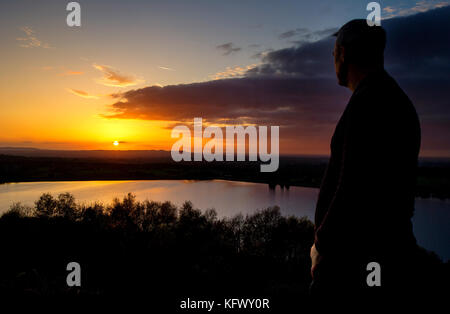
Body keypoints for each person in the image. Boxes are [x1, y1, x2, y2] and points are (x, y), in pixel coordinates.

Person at [309, 19, 423, 303]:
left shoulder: (371, 102)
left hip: (354, 263)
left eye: (333, 53)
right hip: (382, 255)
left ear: (344, 54)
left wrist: (322, 247)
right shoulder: (389, 97)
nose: (333, 61)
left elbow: (352, 190)